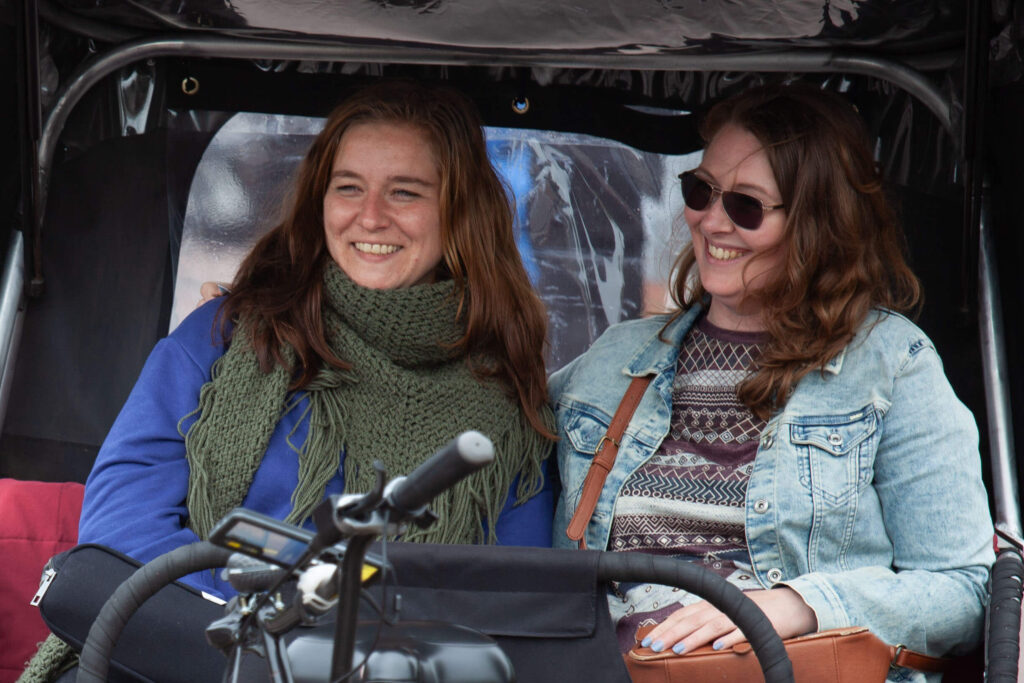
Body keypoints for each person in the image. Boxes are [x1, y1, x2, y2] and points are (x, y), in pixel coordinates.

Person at [549, 83, 994, 677]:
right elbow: (491, 445)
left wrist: (796, 606)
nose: (710, 221)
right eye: (700, 190)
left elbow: (963, 593)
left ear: (818, 222)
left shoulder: (894, 362)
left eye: (746, 205)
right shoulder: (615, 357)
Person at [76, 80, 556, 595]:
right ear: (320, 199)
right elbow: (119, 532)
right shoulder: (226, 334)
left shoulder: (507, 402)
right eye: (348, 187)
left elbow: (513, 596)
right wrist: (243, 631)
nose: (370, 216)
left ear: (460, 211)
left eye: (404, 192)